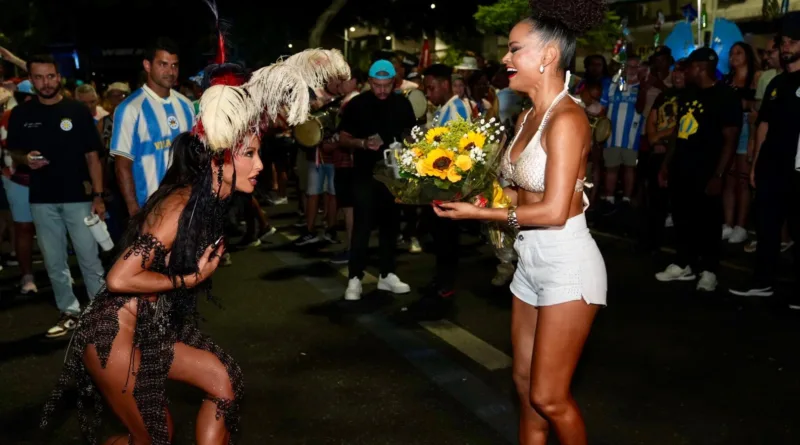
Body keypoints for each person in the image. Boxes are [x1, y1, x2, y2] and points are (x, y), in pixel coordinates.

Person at [40, 46, 347, 444]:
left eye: (258, 153)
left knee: (222, 385)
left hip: (153, 328)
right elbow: (119, 278)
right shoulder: (182, 204)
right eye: (249, 155)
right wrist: (189, 278)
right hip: (112, 335)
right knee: (154, 434)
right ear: (219, 160)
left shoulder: (211, 196)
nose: (259, 165)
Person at [432, 0, 607, 442]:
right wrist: (471, 194)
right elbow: (516, 190)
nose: (505, 59)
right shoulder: (527, 115)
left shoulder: (567, 118)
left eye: (515, 50)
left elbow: (553, 209)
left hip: (567, 264)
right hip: (529, 263)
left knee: (550, 397)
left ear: (547, 56)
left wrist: (481, 212)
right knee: (526, 387)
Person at [6, 55, 107, 337]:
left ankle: (101, 313)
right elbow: (13, 152)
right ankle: (70, 312)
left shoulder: (77, 110)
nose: (45, 83)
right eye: (38, 77)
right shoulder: (22, 114)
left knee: (89, 257)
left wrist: (98, 196)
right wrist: (25, 159)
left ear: (58, 76)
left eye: (50, 76)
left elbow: (93, 157)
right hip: (41, 198)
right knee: (54, 260)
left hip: (78, 197)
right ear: (31, 79)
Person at [656, 47, 742, 291]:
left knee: (709, 222)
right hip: (682, 167)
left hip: (707, 170)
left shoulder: (725, 96)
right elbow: (678, 131)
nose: (684, 71)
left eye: (688, 67)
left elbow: (731, 138)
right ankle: (684, 263)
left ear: (700, 68)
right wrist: (666, 165)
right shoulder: (688, 94)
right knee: (683, 218)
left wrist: (718, 175)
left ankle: (709, 270)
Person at [730, 12, 800, 305]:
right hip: (772, 168)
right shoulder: (776, 83)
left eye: (792, 42)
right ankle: (762, 281)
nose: (786, 47)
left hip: (797, 170)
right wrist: (755, 162)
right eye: (783, 42)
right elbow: (763, 125)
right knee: (767, 227)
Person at [338, 59, 415, 301]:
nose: (381, 90)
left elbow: (411, 133)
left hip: (393, 175)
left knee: (391, 225)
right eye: (377, 85)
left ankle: (387, 274)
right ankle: (354, 278)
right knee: (362, 226)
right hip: (365, 174)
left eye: (386, 85)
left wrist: (407, 144)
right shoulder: (357, 104)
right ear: (369, 82)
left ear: (394, 82)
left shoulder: (403, 103)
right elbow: (342, 137)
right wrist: (362, 143)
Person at [403, 63, 472, 320]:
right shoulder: (445, 109)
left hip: (450, 185)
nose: (428, 94)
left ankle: (445, 286)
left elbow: (453, 148)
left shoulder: (456, 108)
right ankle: (441, 281)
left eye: (431, 87)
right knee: (440, 237)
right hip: (441, 184)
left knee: (446, 238)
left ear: (445, 84)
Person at [111, 37, 194, 217]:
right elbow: (122, 165)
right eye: (163, 64)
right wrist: (133, 209)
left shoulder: (186, 105)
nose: (170, 72)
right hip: (151, 208)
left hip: (187, 204)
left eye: (174, 65)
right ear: (147, 66)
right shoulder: (130, 109)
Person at [722, 42, 760, 244]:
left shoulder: (756, 78)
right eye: (731, 53)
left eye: (739, 53)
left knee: (743, 179)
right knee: (728, 177)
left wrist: (744, 104)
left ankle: (741, 225)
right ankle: (728, 224)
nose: (734, 56)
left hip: (746, 128)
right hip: (729, 128)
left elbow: (755, 105)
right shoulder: (727, 80)